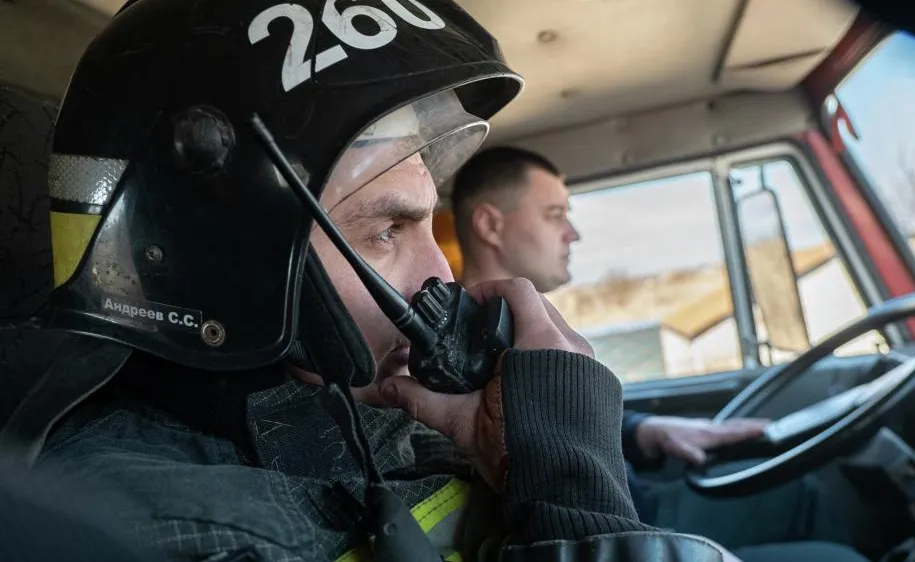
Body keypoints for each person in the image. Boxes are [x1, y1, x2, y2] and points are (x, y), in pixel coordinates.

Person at [0, 1, 749, 561]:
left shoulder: (359, 406)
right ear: (227, 267)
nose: (440, 272)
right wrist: (579, 501)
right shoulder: (168, 534)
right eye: (387, 231)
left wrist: (526, 464)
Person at [450, 145, 867, 558]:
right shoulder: (459, 357)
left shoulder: (521, 329)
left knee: (802, 494)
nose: (573, 233)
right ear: (490, 225)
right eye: (554, 215)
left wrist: (644, 430)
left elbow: (551, 419)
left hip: (639, 505)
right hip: (618, 533)